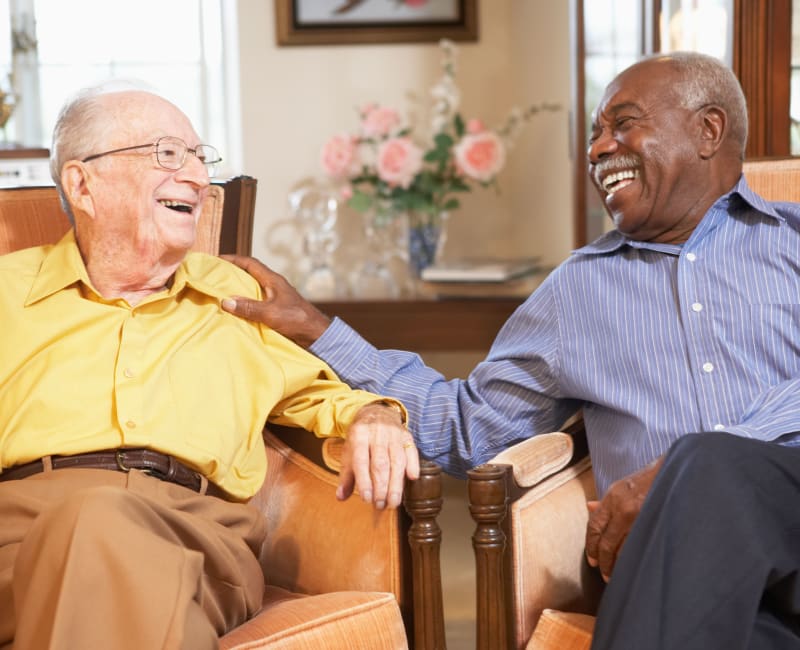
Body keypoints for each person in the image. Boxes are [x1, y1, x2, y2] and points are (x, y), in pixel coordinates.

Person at [221, 51, 800, 648]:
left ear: (708, 130)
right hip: (677, 573)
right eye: (596, 134)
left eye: (623, 123)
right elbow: (467, 428)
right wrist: (318, 331)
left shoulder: (794, 242)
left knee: (706, 466)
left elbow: (718, 466)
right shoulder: (577, 292)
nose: (600, 149)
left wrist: (683, 469)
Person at [0, 82, 420, 650]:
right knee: (98, 544)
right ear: (82, 184)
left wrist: (376, 415)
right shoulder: (7, 292)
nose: (198, 178)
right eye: (168, 154)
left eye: (200, 157)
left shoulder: (238, 296)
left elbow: (325, 396)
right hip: (19, 535)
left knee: (97, 525)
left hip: (196, 534)